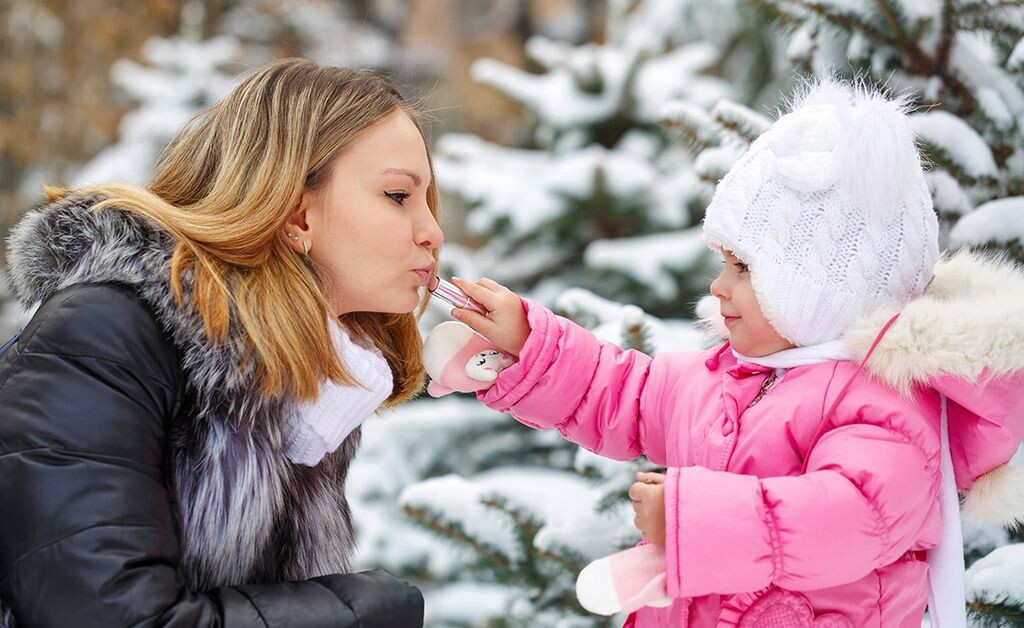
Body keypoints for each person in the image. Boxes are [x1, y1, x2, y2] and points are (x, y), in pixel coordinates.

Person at [443, 79, 1024, 626]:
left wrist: (688, 519)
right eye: (723, 262)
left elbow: (848, 518)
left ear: (821, 288)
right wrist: (529, 343)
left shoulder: (885, 404)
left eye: (743, 267)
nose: (719, 286)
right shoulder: (728, 378)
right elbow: (621, 390)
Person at [0, 58, 443, 627]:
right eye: (399, 196)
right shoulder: (105, 334)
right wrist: (359, 613)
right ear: (296, 215)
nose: (432, 230)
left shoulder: (304, 384)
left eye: (429, 200)